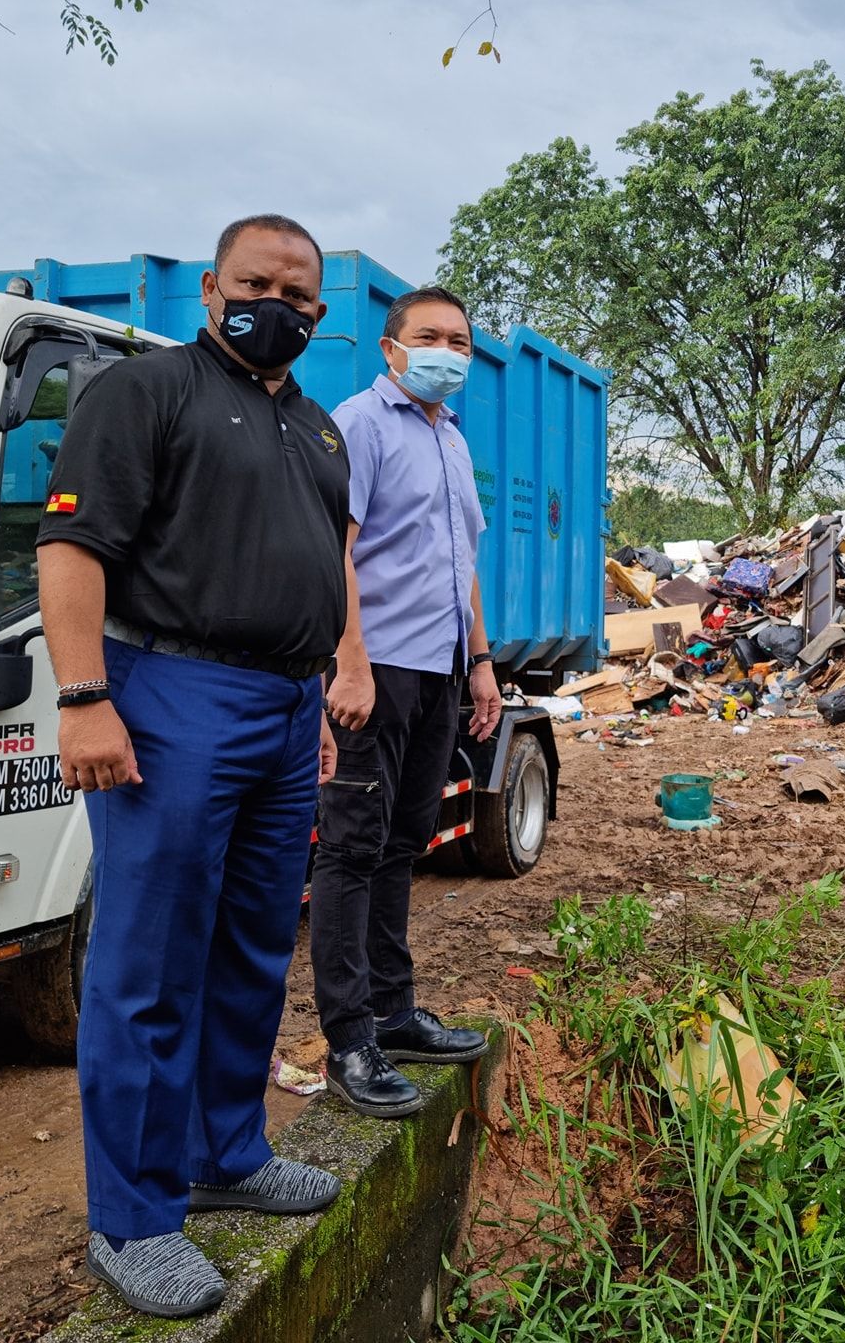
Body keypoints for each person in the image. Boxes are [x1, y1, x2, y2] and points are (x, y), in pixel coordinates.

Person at [37, 214, 349, 1319]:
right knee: (149, 961)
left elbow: (329, 565)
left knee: (256, 944)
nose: (278, 302)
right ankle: (133, 1216)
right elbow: (72, 550)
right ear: (212, 287)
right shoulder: (145, 394)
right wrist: (84, 701)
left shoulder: (316, 430)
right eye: (256, 280)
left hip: (279, 704)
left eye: (298, 291)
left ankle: (226, 1149)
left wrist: (314, 690)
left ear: (319, 311)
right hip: (169, 697)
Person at [311, 285, 503, 1117]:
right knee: (350, 850)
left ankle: (393, 1013)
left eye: (459, 340)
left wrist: (483, 663)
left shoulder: (453, 439)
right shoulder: (360, 422)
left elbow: (463, 562)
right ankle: (349, 1038)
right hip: (376, 666)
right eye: (429, 336)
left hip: (440, 668)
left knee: (401, 844)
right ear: (391, 348)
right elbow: (335, 551)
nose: (447, 352)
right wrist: (347, 663)